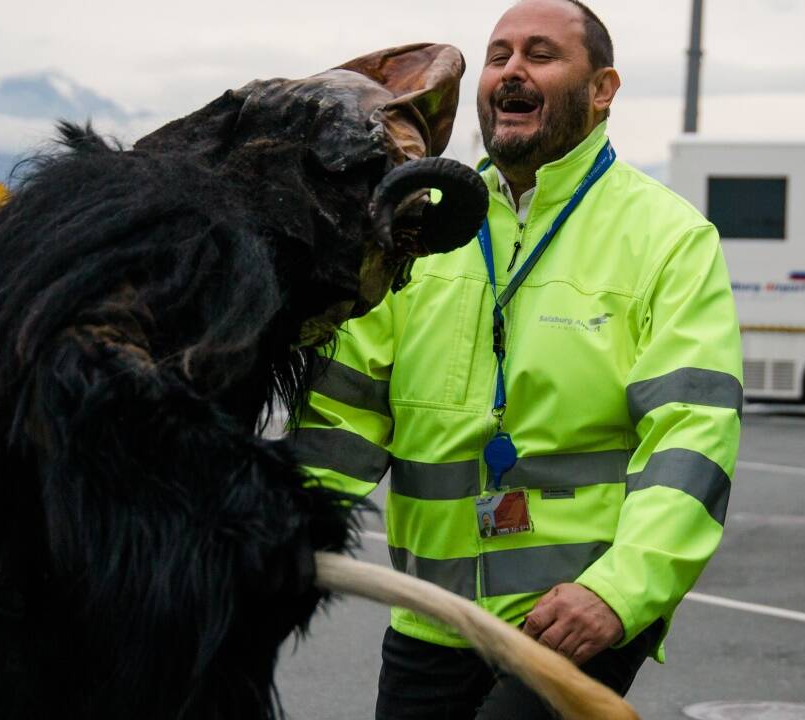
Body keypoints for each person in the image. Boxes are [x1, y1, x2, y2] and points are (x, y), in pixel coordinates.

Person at [289, 0, 742, 717]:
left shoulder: (669, 238)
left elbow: (692, 439)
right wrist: (272, 531)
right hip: (434, 615)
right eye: (498, 56)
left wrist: (618, 593)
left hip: (575, 617)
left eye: (541, 54)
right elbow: (346, 412)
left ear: (602, 90)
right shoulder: (422, 225)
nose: (511, 71)